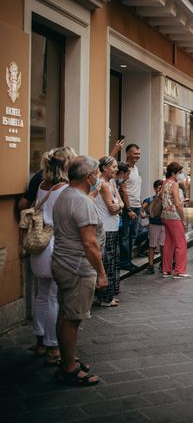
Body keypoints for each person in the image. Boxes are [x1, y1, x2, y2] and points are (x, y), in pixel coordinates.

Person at [52, 156, 106, 386]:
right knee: (72, 319)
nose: (98, 177)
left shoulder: (64, 194)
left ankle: (67, 357)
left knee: (64, 314)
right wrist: (102, 273)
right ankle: (70, 368)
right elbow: (90, 243)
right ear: (88, 177)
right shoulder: (81, 201)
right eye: (96, 173)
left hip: (62, 262)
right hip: (77, 267)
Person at [28, 147, 75, 364]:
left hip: (39, 244)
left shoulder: (41, 185)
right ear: (66, 165)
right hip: (55, 244)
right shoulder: (64, 188)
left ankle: (39, 342)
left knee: (41, 294)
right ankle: (52, 346)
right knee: (55, 297)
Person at [94, 156, 124, 307]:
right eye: (113, 167)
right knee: (108, 262)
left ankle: (108, 296)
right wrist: (119, 206)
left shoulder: (111, 182)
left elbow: (119, 204)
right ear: (104, 168)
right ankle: (105, 298)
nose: (116, 169)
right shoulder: (104, 184)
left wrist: (118, 205)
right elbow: (112, 210)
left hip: (112, 226)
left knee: (111, 261)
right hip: (106, 228)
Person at [161, 163, 190, 278]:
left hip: (165, 215)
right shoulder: (175, 184)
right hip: (174, 216)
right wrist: (183, 219)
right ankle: (179, 270)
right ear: (174, 173)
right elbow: (178, 204)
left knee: (168, 242)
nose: (181, 175)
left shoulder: (164, 183)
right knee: (181, 243)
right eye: (179, 172)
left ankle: (166, 269)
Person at [117, 144, 142, 272]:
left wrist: (140, 207)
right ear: (128, 154)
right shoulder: (124, 169)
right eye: (135, 153)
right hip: (129, 207)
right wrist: (128, 209)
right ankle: (124, 262)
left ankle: (128, 260)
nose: (138, 155)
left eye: (138, 153)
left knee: (133, 235)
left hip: (137, 206)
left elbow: (136, 189)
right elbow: (123, 190)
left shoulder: (136, 168)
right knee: (125, 235)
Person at [141, 180, 165, 274]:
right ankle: (150, 265)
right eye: (159, 188)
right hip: (154, 224)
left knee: (163, 245)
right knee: (152, 245)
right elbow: (143, 210)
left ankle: (163, 263)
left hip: (164, 224)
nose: (160, 190)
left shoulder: (166, 199)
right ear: (155, 189)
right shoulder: (150, 199)